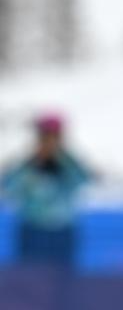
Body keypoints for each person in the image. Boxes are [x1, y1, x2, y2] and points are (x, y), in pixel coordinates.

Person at [2, 113, 92, 267]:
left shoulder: (69, 164)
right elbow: (9, 186)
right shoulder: (27, 164)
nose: (49, 143)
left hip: (62, 230)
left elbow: (83, 181)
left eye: (53, 137)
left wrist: (62, 158)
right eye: (45, 137)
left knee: (63, 275)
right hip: (32, 230)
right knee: (30, 274)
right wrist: (32, 162)